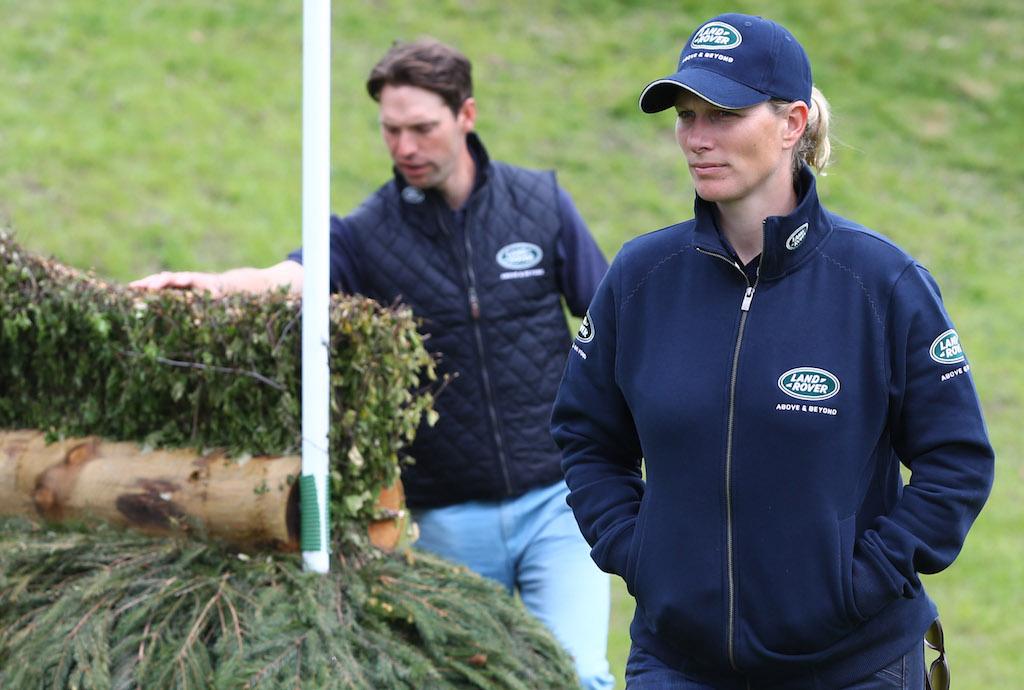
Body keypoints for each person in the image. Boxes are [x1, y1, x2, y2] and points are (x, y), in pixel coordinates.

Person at [132, 39, 614, 689]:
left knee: (579, 674)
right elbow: (288, 279)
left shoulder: (541, 203)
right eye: (391, 130)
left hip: (559, 504)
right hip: (447, 521)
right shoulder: (367, 234)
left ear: (466, 115)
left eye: (422, 128)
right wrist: (213, 287)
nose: (405, 147)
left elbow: (613, 325)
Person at [551, 13, 993, 690]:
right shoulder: (640, 279)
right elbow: (585, 436)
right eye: (686, 116)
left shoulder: (883, 283)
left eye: (724, 115)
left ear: (792, 124)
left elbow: (957, 461)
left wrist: (862, 582)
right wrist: (637, 553)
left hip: (854, 665)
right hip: (678, 664)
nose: (697, 138)